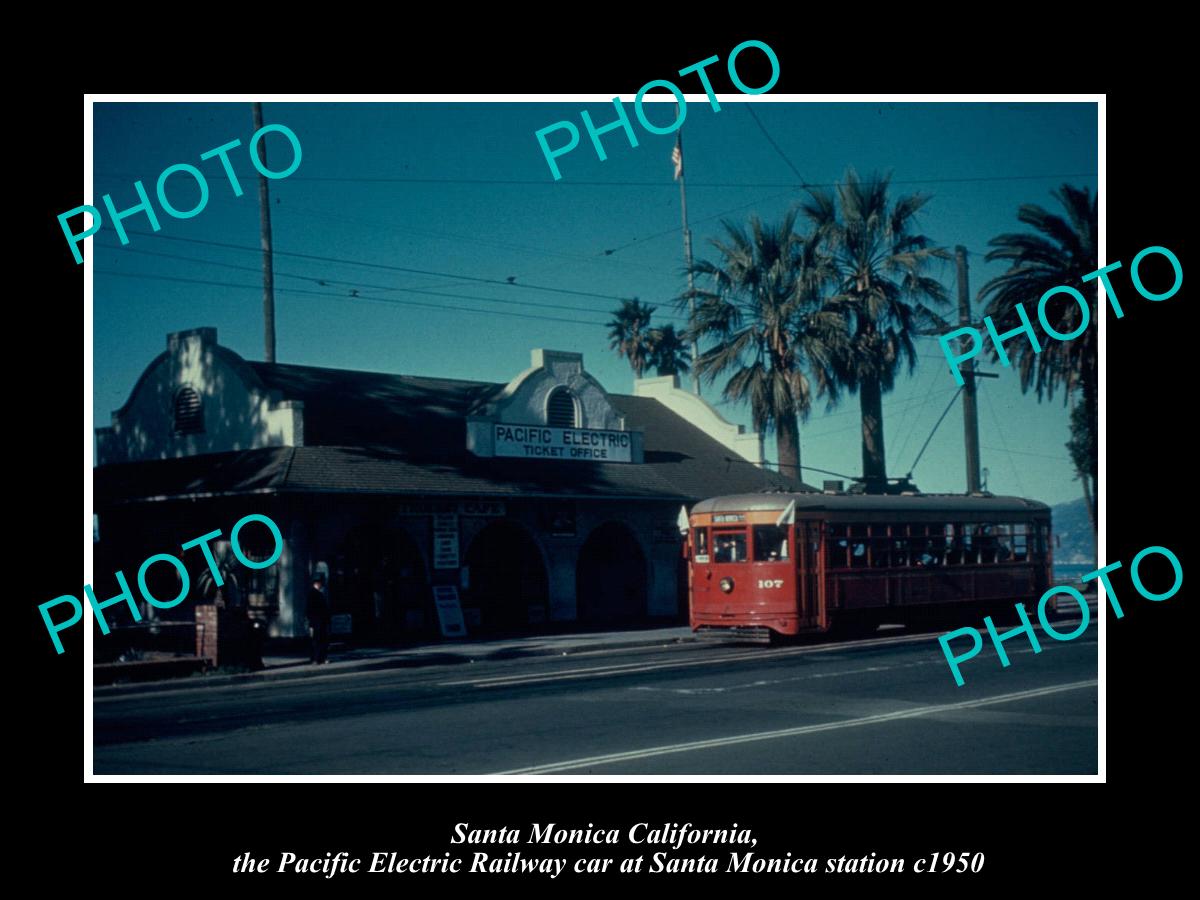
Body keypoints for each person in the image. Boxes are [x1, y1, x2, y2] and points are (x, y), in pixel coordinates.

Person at [307, 574, 331, 664]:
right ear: (317, 583)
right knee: (316, 641)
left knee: (323, 640)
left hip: (321, 621)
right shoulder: (312, 594)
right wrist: (311, 624)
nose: (321, 585)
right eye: (320, 583)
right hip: (316, 622)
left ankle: (322, 658)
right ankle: (315, 659)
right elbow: (309, 610)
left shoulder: (320, 593)